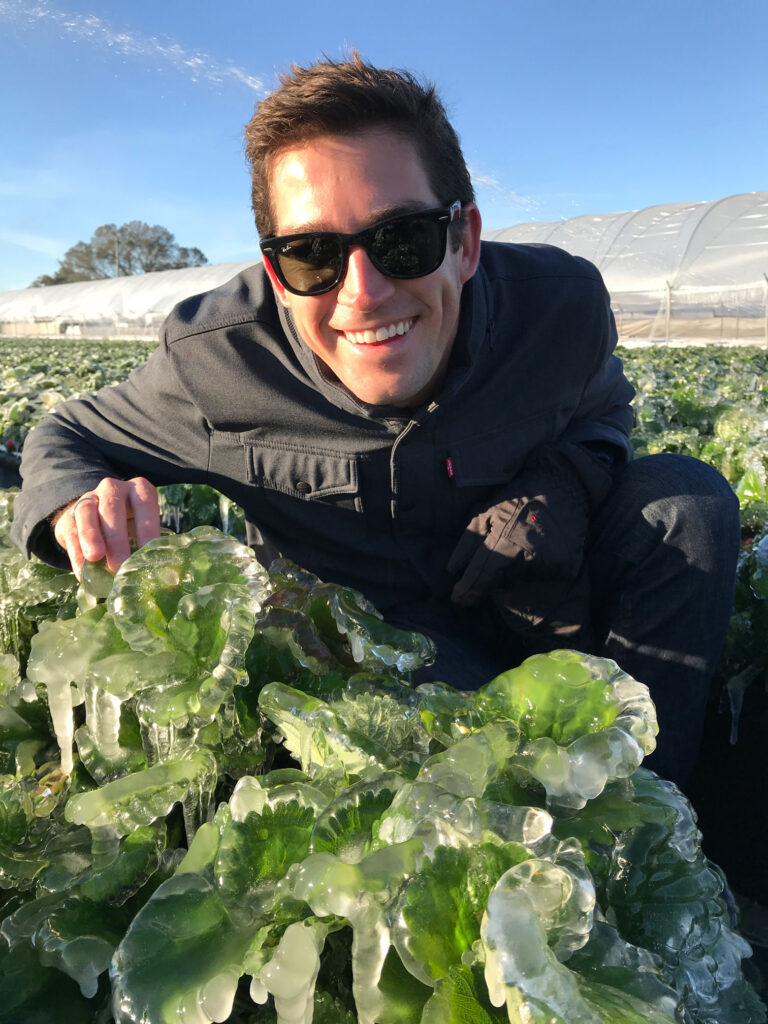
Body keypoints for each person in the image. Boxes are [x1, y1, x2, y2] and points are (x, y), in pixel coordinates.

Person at [11, 55, 739, 788]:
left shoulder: (559, 307)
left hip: (552, 596)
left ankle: (658, 809)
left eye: (402, 241)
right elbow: (67, 436)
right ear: (274, 272)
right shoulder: (218, 357)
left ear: (464, 241)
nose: (363, 293)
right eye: (311, 255)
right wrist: (78, 501)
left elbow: (603, 407)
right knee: (474, 760)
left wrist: (567, 480)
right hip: (390, 650)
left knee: (689, 501)